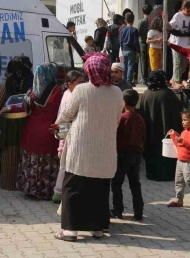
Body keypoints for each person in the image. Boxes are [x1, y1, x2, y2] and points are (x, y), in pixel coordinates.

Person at [53, 53, 123, 241]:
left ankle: (70, 231)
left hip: (81, 149)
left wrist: (57, 124)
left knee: (73, 188)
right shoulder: (117, 92)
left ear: (89, 71)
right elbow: (117, 118)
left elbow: (67, 114)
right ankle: (97, 229)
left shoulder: (81, 90)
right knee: (99, 190)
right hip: (105, 149)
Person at [17, 63, 62, 200]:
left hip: (32, 131)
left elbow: (24, 108)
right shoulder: (59, 91)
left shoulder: (32, 91)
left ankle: (31, 190)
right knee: (48, 163)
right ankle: (47, 191)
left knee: (32, 161)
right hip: (49, 132)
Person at [0, 56, 34, 191]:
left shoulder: (9, 81)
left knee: (10, 151)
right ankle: (23, 183)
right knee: (24, 151)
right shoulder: (32, 81)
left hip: (10, 122)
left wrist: (4, 111)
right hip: (26, 121)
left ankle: (8, 183)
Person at [139, 70, 183, 181]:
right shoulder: (167, 94)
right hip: (166, 132)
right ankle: (167, 175)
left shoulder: (146, 94)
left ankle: (151, 174)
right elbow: (178, 112)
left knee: (151, 152)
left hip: (150, 132)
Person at [110, 89, 146, 221]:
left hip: (122, 155)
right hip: (136, 155)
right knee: (135, 184)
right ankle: (139, 212)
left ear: (123, 102)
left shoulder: (122, 118)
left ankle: (118, 210)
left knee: (116, 183)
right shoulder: (140, 118)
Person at [52, 70, 85, 204]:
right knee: (65, 166)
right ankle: (59, 193)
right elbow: (63, 120)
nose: (83, 85)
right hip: (67, 136)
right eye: (80, 83)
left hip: (70, 135)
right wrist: (61, 144)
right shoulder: (69, 96)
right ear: (70, 84)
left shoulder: (71, 94)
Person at [168, 0, 190, 87]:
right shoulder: (178, 16)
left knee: (184, 64)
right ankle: (176, 81)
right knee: (177, 62)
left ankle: (173, 79)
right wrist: (165, 20)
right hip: (176, 43)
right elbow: (170, 26)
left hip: (187, 44)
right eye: (188, 10)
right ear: (184, 8)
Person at [120, 12, 140, 83]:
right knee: (131, 66)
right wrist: (138, 50)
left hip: (124, 49)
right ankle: (128, 81)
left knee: (124, 66)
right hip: (132, 50)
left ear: (125, 20)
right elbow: (135, 41)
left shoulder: (122, 30)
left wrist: (122, 49)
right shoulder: (134, 30)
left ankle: (124, 80)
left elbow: (121, 42)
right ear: (133, 20)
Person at [138, 5, 152, 84]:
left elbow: (138, 33)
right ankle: (150, 76)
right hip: (151, 42)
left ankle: (144, 78)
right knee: (150, 60)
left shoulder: (141, 21)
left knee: (143, 60)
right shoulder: (152, 20)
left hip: (142, 42)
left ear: (143, 12)